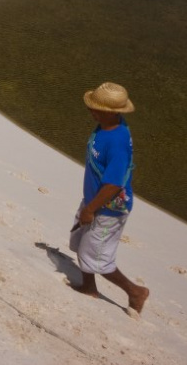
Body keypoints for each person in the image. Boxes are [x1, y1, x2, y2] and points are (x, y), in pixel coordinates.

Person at [68, 82, 150, 317]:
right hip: (93, 201)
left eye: (96, 108)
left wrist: (91, 209)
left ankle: (135, 291)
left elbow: (114, 184)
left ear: (113, 112)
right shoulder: (105, 127)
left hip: (107, 209)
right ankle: (88, 286)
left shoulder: (117, 142)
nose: (90, 110)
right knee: (81, 241)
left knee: (98, 257)